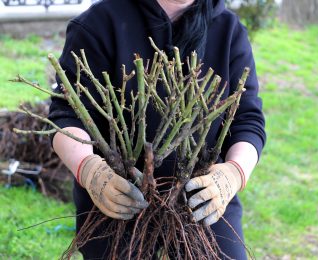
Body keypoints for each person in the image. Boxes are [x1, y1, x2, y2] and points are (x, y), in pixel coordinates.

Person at [49, 0, 266, 259]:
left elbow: (247, 119)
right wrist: (89, 170)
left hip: (203, 196)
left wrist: (234, 173)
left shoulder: (229, 30)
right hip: (116, 197)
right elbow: (68, 115)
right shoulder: (99, 23)